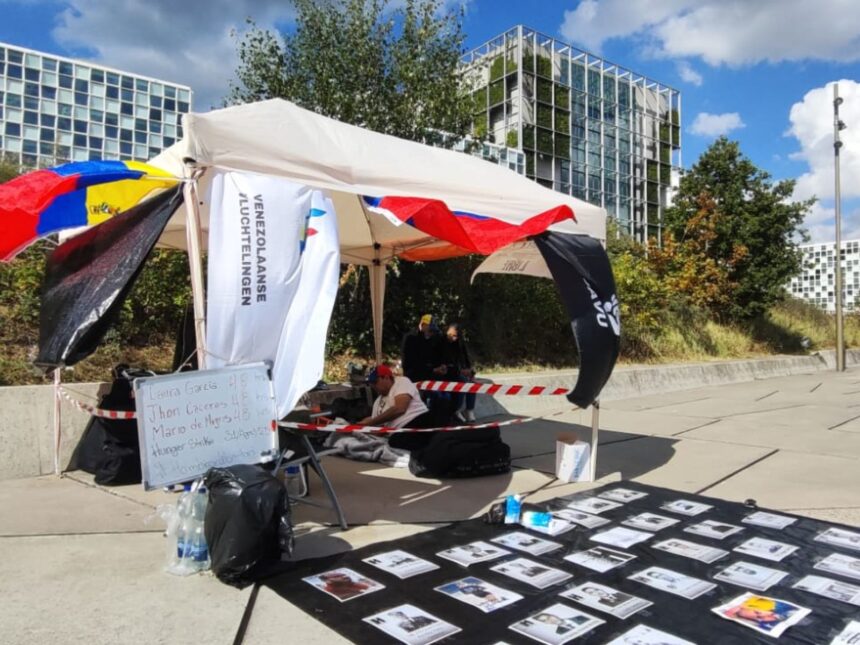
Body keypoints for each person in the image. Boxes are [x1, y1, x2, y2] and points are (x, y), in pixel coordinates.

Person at [359, 365, 431, 430]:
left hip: (418, 421)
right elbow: (377, 422)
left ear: (386, 378)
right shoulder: (377, 402)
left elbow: (400, 408)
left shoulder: (401, 381)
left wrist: (370, 423)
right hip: (399, 432)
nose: (373, 386)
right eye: (370, 383)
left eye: (375, 382)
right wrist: (361, 426)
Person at [442, 322, 477, 422]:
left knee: (472, 383)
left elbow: (466, 359)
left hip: (457, 371)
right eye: (452, 335)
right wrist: (460, 371)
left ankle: (469, 409)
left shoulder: (459, 343)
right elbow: (446, 363)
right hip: (447, 373)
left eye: (456, 336)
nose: (454, 338)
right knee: (462, 382)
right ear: (447, 332)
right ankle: (456, 410)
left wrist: (470, 371)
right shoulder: (442, 343)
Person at [401, 314, 445, 383]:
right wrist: (433, 369)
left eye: (433, 331)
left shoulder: (430, 340)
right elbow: (412, 363)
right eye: (430, 330)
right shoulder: (411, 338)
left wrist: (441, 366)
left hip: (427, 377)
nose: (432, 333)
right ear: (423, 325)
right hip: (414, 378)